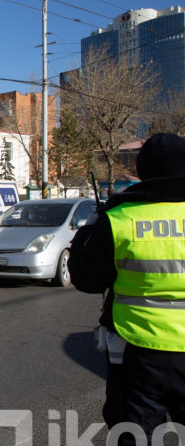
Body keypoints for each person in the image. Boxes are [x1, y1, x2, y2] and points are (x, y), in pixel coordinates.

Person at [68, 133, 185, 445]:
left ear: (143, 171)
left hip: (138, 351)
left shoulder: (120, 218)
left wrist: (90, 228)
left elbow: (85, 279)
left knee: (137, 434)